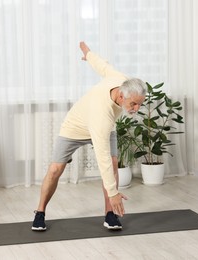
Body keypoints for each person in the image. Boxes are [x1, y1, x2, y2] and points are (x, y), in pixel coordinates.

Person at [32, 41, 147, 231]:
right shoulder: (102, 114)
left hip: (103, 126)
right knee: (55, 169)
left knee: (113, 164)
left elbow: (103, 66)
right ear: (121, 96)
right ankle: (40, 212)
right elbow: (100, 157)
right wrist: (113, 192)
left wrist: (89, 54)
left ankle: (110, 215)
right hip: (75, 127)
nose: (137, 109)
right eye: (133, 104)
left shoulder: (122, 80)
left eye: (139, 104)